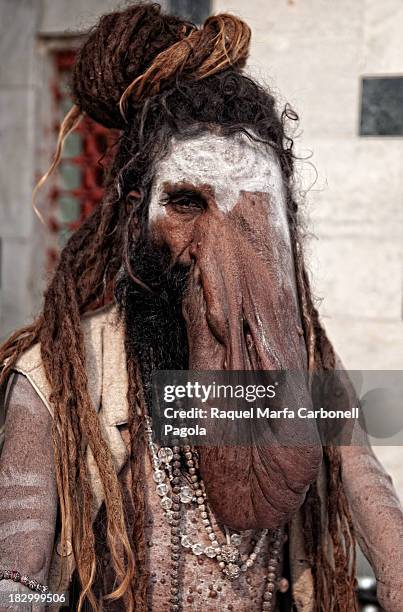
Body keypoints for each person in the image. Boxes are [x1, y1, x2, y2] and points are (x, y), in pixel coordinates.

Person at [0, 4, 402, 611]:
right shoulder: (56, 375)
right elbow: (14, 579)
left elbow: (372, 494)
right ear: (136, 209)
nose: (220, 256)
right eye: (187, 204)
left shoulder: (305, 365)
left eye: (251, 212)